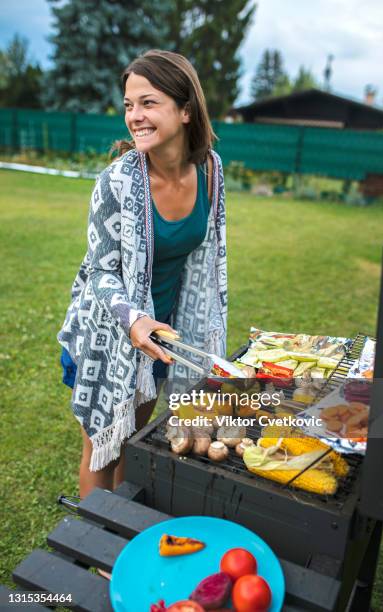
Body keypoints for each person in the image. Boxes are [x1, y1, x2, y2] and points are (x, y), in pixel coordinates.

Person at [58, 50, 227, 499]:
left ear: (186, 110)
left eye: (148, 103)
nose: (135, 116)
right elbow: (100, 270)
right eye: (129, 104)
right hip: (110, 332)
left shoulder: (211, 170)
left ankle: (116, 536)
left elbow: (212, 256)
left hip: (163, 332)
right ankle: (97, 557)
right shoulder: (116, 182)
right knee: (104, 450)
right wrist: (133, 319)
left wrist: (205, 328)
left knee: (132, 443)